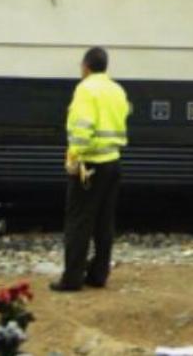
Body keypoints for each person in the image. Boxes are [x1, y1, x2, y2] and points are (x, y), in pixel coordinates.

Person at [52, 47, 130, 293]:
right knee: (104, 222)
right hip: (113, 162)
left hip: (90, 165)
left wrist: (74, 159)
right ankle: (99, 274)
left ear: (86, 66)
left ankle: (72, 278)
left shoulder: (85, 89)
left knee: (78, 222)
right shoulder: (117, 90)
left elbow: (83, 128)